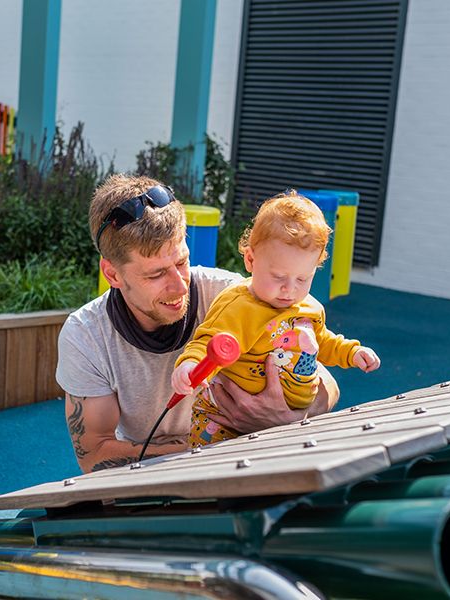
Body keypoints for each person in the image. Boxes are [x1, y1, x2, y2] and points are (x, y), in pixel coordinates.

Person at [56, 174, 341, 473]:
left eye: (182, 262)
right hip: (156, 480)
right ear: (113, 275)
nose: (179, 286)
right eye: (156, 275)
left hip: (240, 470)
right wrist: (206, 446)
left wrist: (286, 417)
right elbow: (94, 454)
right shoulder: (85, 335)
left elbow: (328, 387)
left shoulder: (234, 297)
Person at [172, 191, 381, 447]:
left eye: (302, 279)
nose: (290, 289)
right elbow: (208, 342)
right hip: (224, 422)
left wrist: (352, 352)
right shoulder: (240, 307)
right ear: (250, 259)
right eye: (279, 277)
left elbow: (324, 341)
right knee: (215, 470)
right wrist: (190, 365)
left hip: (289, 424)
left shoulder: (308, 307)